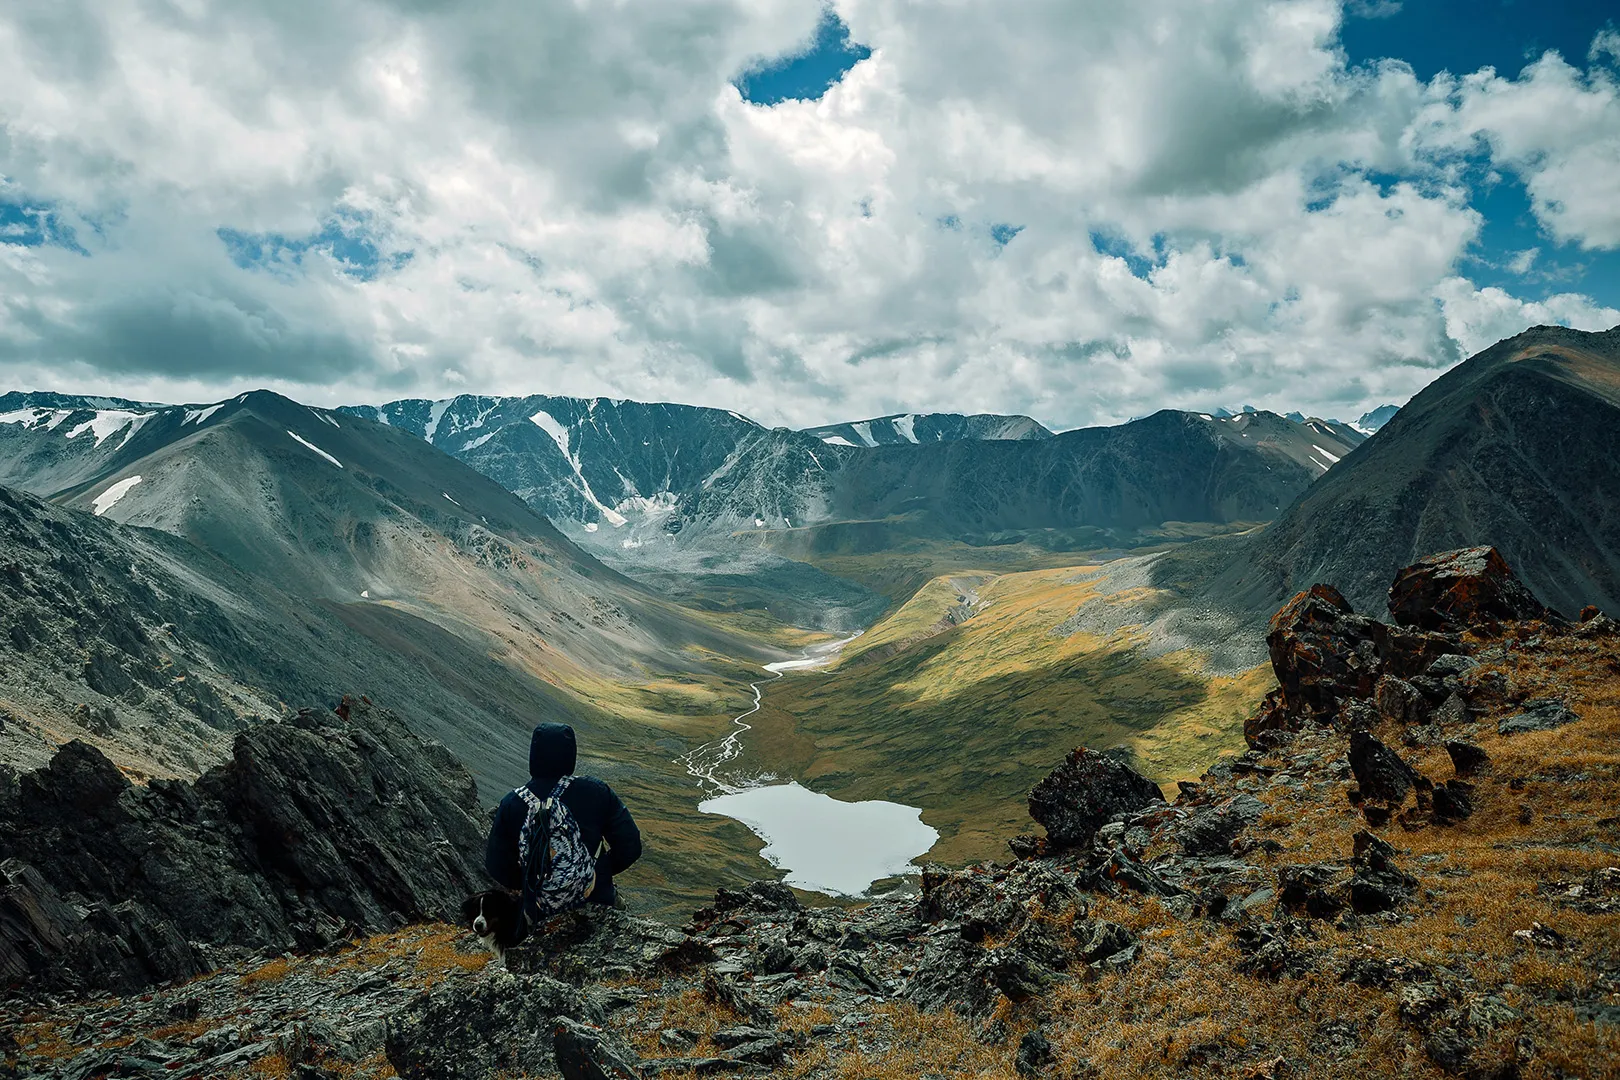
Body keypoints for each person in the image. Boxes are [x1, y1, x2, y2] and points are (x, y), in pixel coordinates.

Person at [485, 722, 643, 914]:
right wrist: (598, 872)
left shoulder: (512, 803)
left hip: (539, 912)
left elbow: (497, 864)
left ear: (534, 755)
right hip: (598, 902)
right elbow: (630, 844)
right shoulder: (595, 791)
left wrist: (534, 883)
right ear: (571, 753)